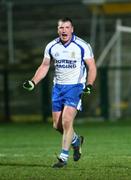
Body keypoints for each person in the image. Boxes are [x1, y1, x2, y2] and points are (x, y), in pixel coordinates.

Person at [23, 17, 97, 168]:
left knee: (67, 120)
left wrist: (89, 84)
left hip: (75, 87)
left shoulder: (82, 45)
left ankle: (63, 158)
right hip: (58, 88)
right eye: (61, 28)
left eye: (67, 27)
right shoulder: (52, 46)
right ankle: (76, 141)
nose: (64, 31)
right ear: (58, 30)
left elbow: (92, 67)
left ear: (72, 29)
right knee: (57, 125)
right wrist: (33, 81)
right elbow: (44, 66)